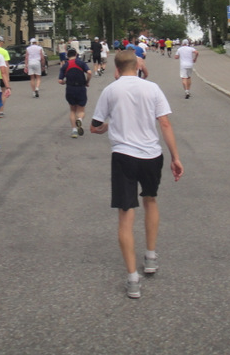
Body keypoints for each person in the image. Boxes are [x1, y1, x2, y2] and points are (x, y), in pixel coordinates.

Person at [90, 50, 183, 299]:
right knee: (150, 200)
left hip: (124, 156)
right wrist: (175, 157)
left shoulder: (111, 90)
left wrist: (109, 127)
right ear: (137, 65)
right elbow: (164, 123)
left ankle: (132, 279)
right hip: (152, 155)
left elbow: (95, 126)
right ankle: (150, 258)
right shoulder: (152, 88)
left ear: (116, 69)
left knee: (125, 215)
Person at [58, 48, 92, 138]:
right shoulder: (81, 63)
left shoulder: (65, 66)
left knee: (72, 110)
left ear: (67, 56)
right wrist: (87, 82)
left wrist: (65, 82)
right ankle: (80, 119)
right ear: (76, 54)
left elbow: (60, 81)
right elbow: (89, 72)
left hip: (70, 88)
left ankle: (74, 131)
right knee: (81, 110)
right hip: (81, 88)